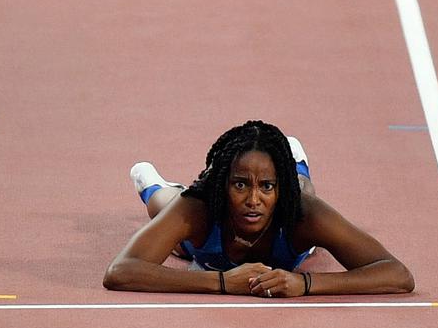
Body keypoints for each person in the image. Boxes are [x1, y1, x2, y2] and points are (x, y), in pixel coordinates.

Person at [103, 120, 414, 297]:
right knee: (167, 205)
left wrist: (304, 284)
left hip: (292, 219)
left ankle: (297, 168)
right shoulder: (200, 208)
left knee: (303, 193)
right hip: (205, 249)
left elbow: (398, 275)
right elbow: (120, 271)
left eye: (266, 186)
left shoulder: (303, 215)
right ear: (223, 185)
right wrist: (223, 282)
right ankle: (150, 184)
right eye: (240, 185)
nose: (253, 199)